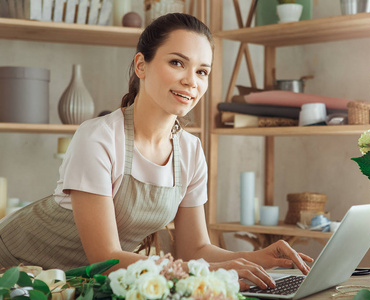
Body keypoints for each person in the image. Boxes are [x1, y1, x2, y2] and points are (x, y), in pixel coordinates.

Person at [0, 13, 312, 290]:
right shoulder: (98, 138)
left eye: (202, 71)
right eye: (177, 62)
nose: (191, 80)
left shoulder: (190, 151)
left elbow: (195, 249)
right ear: (141, 65)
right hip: (14, 269)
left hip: (76, 282)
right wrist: (211, 269)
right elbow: (104, 258)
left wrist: (257, 257)